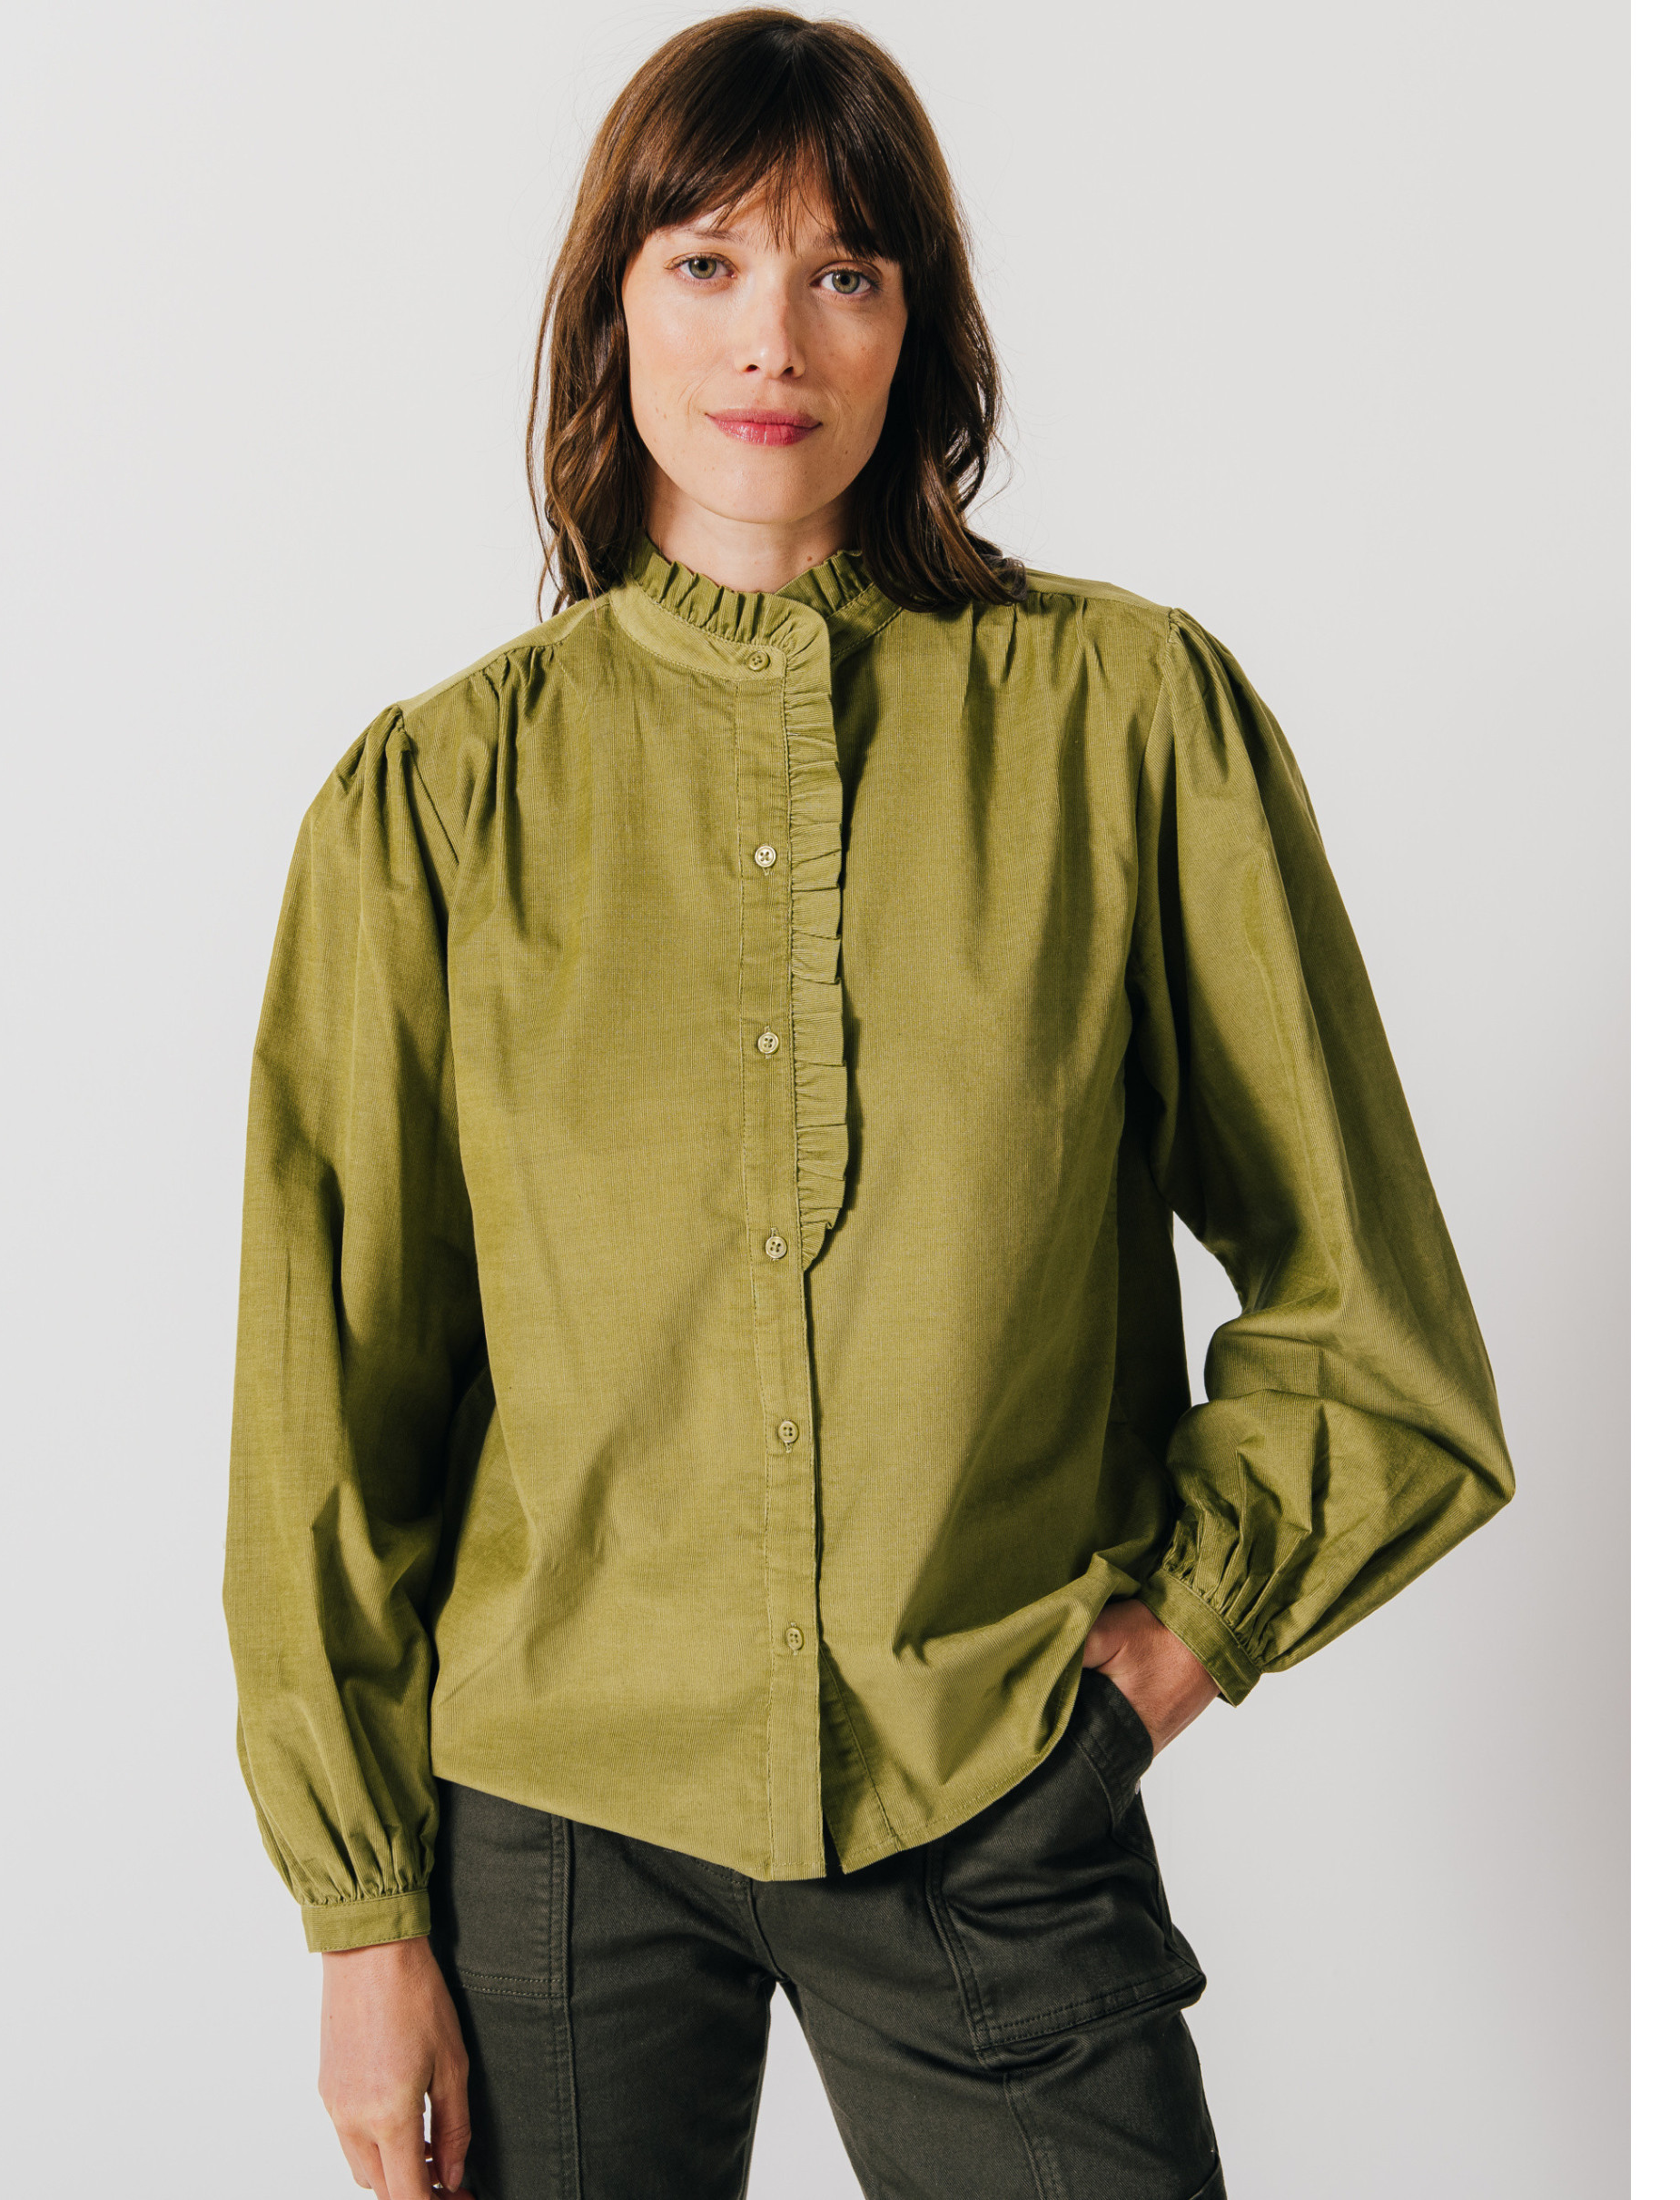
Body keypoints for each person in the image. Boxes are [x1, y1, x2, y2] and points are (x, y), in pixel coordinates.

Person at [222, 12, 1515, 2198]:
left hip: (988, 1790)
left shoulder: (1125, 721)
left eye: (844, 271)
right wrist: (363, 1917)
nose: (773, 339)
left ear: (919, 326)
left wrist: (1151, 1666)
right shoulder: (432, 802)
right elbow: (330, 1413)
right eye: (705, 263)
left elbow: (1367, 1309)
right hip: (552, 1832)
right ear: (608, 305)